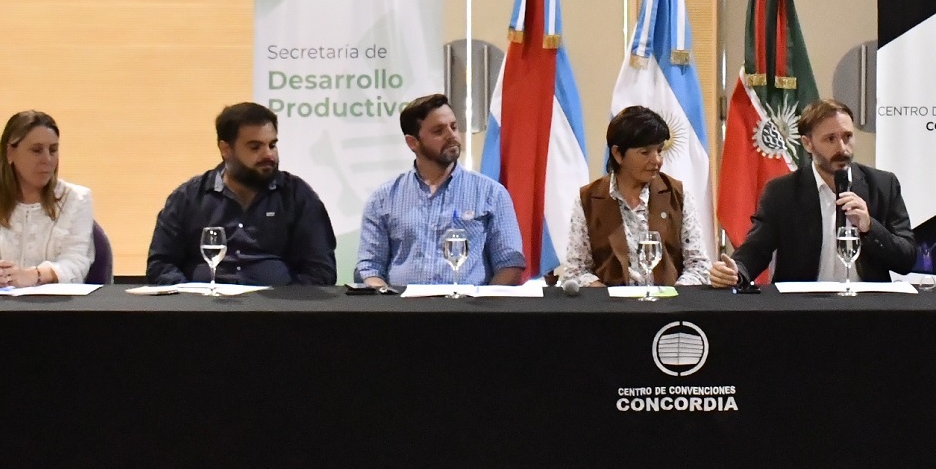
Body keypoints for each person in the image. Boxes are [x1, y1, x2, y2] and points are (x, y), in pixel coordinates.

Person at [710, 99, 916, 286]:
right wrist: (736, 271)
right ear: (807, 143)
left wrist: (870, 227)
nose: (842, 148)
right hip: (803, 307)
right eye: (830, 139)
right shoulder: (782, 192)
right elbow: (756, 250)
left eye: (847, 136)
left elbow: (907, 259)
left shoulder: (883, 185)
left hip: (866, 306)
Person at [146, 102, 336, 286]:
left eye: (272, 145)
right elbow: (161, 264)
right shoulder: (189, 197)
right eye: (255, 147)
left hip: (278, 305)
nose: (268, 155)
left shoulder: (297, 196)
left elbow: (321, 269)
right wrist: (189, 296)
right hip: (203, 305)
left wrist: (287, 301)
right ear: (226, 149)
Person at [356, 93, 524, 288]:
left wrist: (487, 303)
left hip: (469, 304)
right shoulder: (383, 199)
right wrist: (385, 300)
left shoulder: (491, 194)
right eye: (438, 131)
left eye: (454, 127)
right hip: (402, 305)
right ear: (412, 142)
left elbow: (510, 264)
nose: (451, 135)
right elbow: (370, 267)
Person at [557, 106, 712, 289]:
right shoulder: (589, 200)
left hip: (669, 304)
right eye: (645, 153)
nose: (657, 160)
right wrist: (606, 297)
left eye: (659, 150)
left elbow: (698, 266)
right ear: (617, 154)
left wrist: (671, 297)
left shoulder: (678, 195)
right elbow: (575, 271)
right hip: (609, 306)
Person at [0, 110, 94, 288]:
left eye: (53, 150)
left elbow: (76, 263)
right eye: (36, 150)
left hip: (51, 303)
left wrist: (34, 275)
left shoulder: (76, 199)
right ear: (10, 153)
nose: (47, 159)